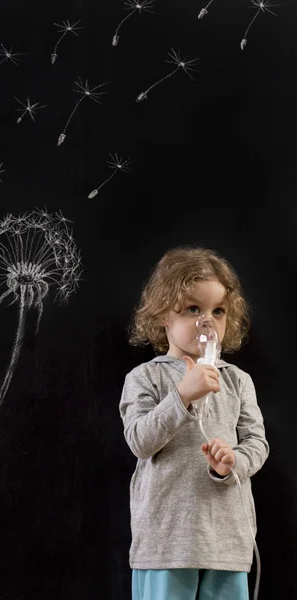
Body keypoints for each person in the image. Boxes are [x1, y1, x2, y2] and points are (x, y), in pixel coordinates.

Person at [119, 246, 269, 600]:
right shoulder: (146, 378)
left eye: (218, 311)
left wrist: (231, 462)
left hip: (227, 543)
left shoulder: (237, 380)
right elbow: (140, 441)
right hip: (166, 544)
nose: (207, 321)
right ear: (161, 316)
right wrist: (182, 395)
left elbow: (257, 442)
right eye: (192, 309)